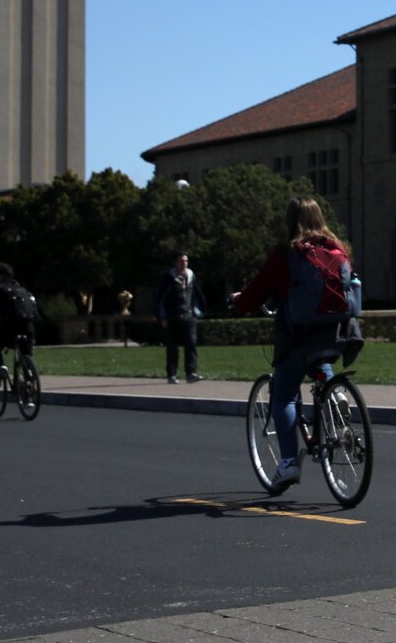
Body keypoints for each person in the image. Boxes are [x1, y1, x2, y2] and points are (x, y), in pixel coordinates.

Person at [231, 198, 363, 493]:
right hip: (338, 334)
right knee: (321, 360)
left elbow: (257, 291)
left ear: (290, 221)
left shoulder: (286, 254)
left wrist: (238, 301)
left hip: (299, 336)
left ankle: (288, 462)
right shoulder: (337, 249)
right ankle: (333, 395)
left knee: (284, 395)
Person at [153, 252, 209, 383]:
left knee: (191, 344)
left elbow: (196, 295)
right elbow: (160, 298)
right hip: (172, 316)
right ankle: (172, 374)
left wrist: (198, 311)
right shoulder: (168, 278)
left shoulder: (191, 276)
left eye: (186, 261)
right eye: (181, 261)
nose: (184, 263)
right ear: (175, 263)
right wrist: (162, 316)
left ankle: (191, 373)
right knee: (172, 347)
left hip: (188, 316)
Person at [0, 262, 37, 380]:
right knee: (26, 354)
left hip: (10, 326)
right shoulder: (21, 289)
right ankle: (30, 379)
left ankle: (0, 367)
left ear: (0, 276)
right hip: (28, 326)